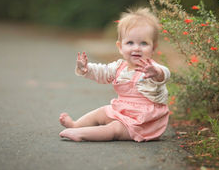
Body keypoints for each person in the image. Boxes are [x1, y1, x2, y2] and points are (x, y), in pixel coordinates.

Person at [59, 8, 170, 142]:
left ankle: (82, 134)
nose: (136, 48)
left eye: (144, 43)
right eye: (130, 43)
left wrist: (156, 73)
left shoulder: (151, 69)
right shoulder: (119, 67)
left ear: (153, 48)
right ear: (120, 47)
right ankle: (76, 125)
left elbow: (164, 74)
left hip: (143, 122)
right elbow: (102, 71)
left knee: (115, 128)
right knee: (103, 112)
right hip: (123, 111)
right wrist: (86, 68)